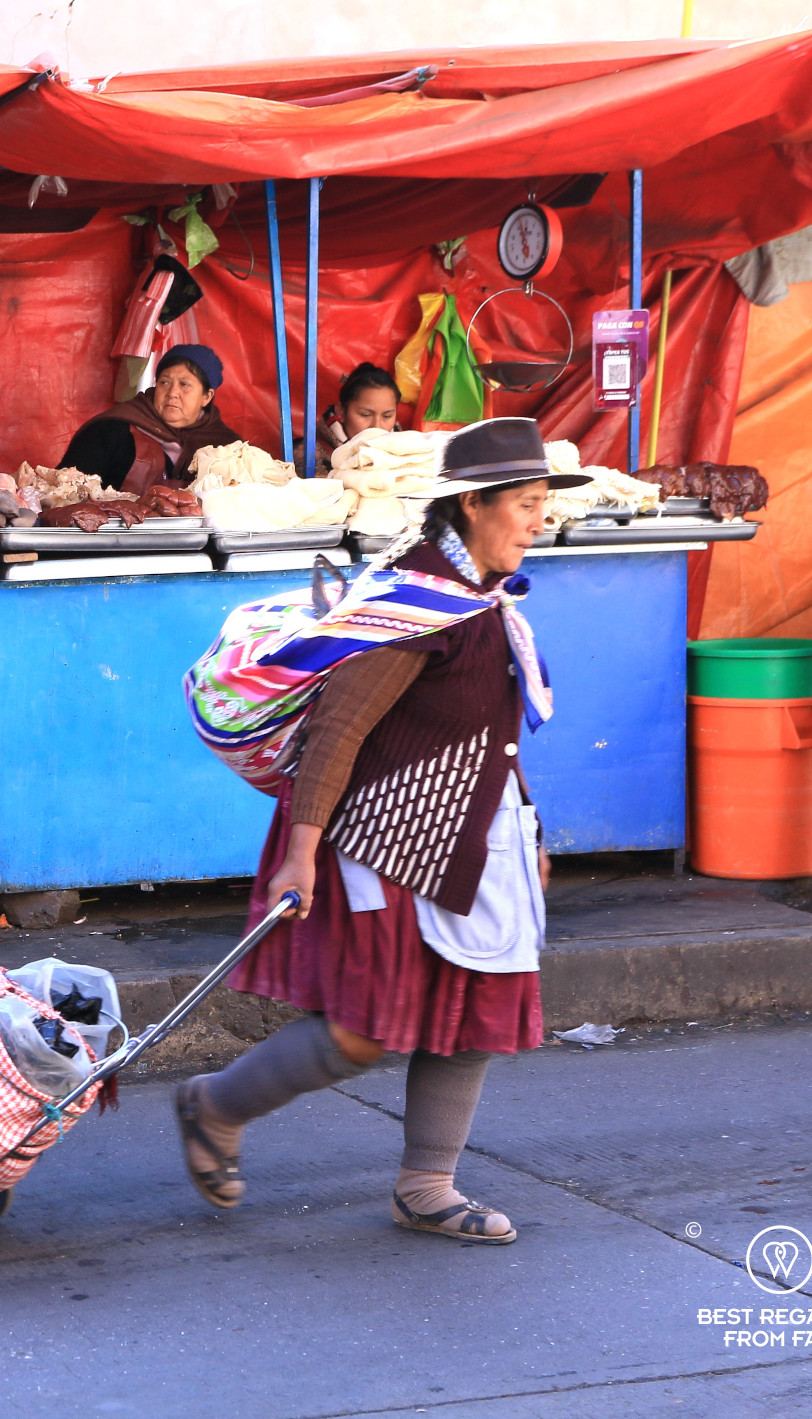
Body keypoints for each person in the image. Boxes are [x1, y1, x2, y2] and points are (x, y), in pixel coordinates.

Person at [174, 417, 587, 1244]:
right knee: (364, 1029)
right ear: (472, 506)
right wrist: (300, 852)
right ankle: (213, 1106)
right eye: (528, 502)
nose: (539, 519)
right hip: (377, 839)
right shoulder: (413, 605)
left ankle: (426, 1185)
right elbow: (337, 730)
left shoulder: (480, 597)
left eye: (543, 502)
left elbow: (490, 734)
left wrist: (529, 830)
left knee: (473, 1006)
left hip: (471, 828)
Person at [58, 343, 250, 493]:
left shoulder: (228, 448)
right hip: (115, 540)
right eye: (164, 382)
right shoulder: (111, 430)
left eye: (185, 384)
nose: (172, 392)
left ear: (206, 397)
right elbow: (63, 491)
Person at [316, 361, 401, 458]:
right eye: (365, 414)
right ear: (341, 411)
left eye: (387, 416)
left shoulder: (409, 456)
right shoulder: (310, 457)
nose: (376, 426)